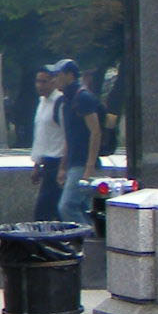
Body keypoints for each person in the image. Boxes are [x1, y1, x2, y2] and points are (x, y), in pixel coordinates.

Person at [54, 59, 108, 222]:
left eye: (58, 75)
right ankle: (92, 237)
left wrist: (89, 168)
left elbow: (95, 132)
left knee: (67, 206)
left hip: (82, 164)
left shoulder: (82, 97)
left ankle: (85, 236)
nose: (55, 79)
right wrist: (63, 167)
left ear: (70, 75)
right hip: (73, 163)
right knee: (85, 209)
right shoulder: (66, 100)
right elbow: (69, 137)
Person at [28, 67, 64, 220]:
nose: (39, 85)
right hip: (47, 164)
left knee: (44, 212)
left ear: (54, 82)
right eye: (38, 81)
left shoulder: (60, 102)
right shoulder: (42, 102)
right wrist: (36, 165)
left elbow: (67, 136)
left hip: (58, 162)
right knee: (50, 212)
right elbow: (41, 137)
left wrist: (63, 167)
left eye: (44, 82)